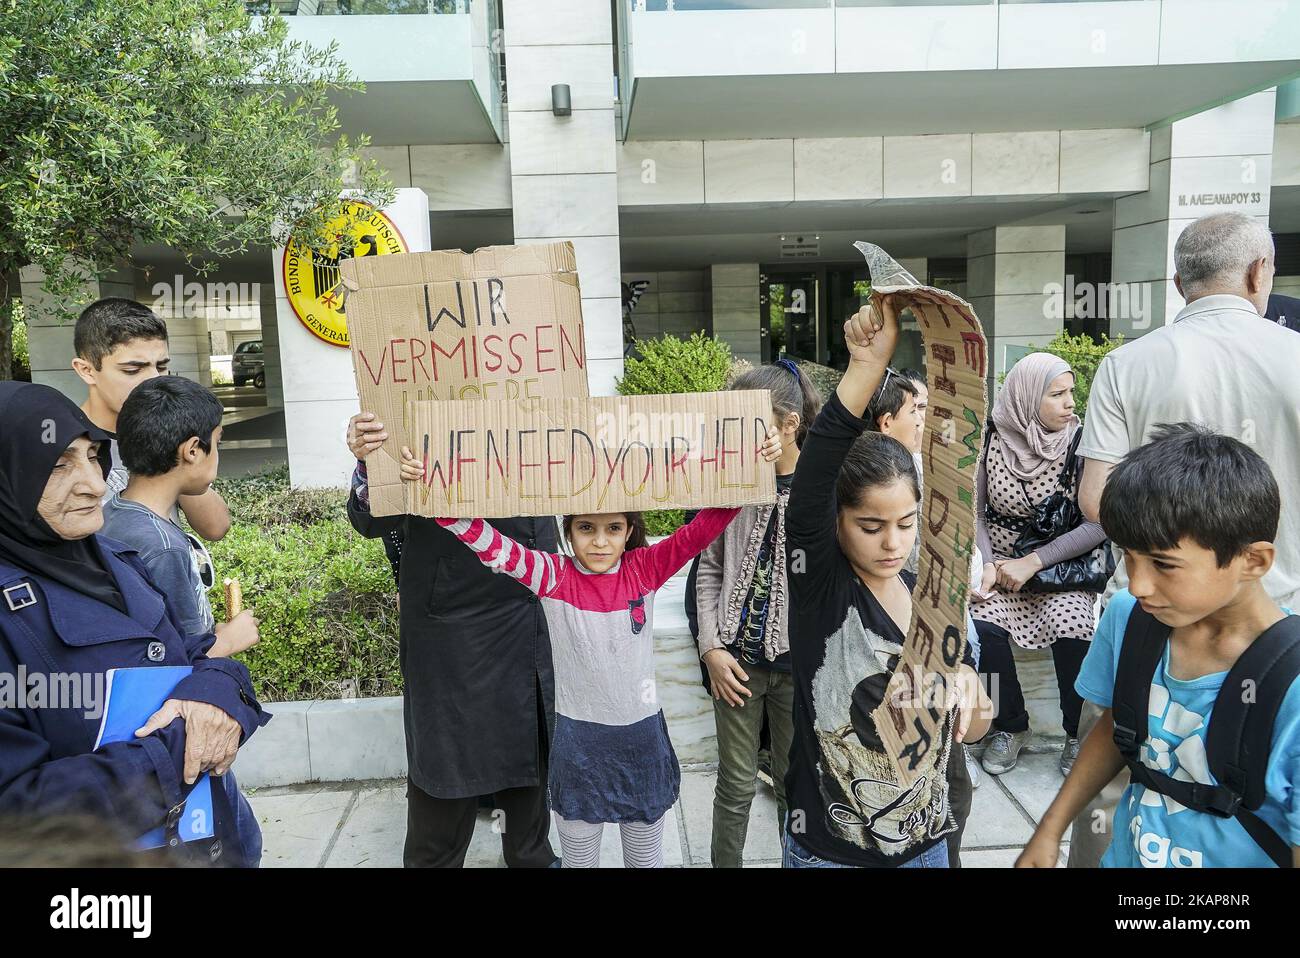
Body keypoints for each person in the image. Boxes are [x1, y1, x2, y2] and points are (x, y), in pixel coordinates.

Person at [402, 430, 783, 867]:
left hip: (642, 745)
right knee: (581, 861)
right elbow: (490, 544)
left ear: (629, 532)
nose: (600, 542)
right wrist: (431, 493)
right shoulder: (550, 576)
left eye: (613, 529)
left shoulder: (646, 569)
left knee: (645, 861)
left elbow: (701, 531)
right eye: (586, 528)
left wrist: (752, 465)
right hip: (578, 752)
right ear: (568, 531)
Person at [1071, 210, 1300, 866]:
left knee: (1118, 797)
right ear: (1260, 272)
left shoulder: (1128, 364)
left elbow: (1095, 502)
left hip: (1152, 636)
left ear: (1178, 284)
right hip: (1280, 642)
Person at [0, 382, 269, 866]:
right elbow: (18, 815)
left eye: (93, 457)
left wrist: (221, 699)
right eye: (59, 464)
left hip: (205, 843)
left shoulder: (113, 559)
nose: (96, 485)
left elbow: (191, 657)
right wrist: (177, 749)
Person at [1017, 424, 1300, 868]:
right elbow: (1118, 725)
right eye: (1128, 555)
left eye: (1165, 564)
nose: (1138, 583)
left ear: (1253, 561)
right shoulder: (1131, 619)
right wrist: (1050, 829)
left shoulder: (1292, 690)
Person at [782, 296, 991, 868]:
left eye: (905, 524)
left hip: (927, 843)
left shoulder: (935, 587)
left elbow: (970, 730)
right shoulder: (822, 590)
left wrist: (972, 693)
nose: (892, 543)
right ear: (837, 523)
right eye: (870, 526)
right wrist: (866, 369)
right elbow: (814, 475)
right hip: (830, 849)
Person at [345, 413, 560, 868]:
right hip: (450, 621)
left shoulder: (538, 391)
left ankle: (532, 857)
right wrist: (371, 462)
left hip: (527, 606)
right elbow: (371, 518)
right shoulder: (410, 395)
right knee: (446, 769)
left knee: (527, 763)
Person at [695, 358, 820, 867]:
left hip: (798, 669)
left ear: (789, 424)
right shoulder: (732, 483)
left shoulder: (820, 487)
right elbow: (707, 571)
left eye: (753, 422)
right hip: (736, 666)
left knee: (797, 785)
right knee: (735, 786)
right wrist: (711, 648)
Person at [972, 353, 1105, 779]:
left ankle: (1076, 732)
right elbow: (974, 511)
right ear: (1027, 397)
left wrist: (1033, 561)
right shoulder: (990, 439)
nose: (1070, 402)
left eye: (1070, 392)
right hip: (1001, 572)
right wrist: (990, 565)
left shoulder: (1082, 443)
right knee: (980, 627)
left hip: (1058, 573)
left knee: (1073, 626)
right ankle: (1010, 727)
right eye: (1057, 394)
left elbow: (1099, 523)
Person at [100, 377, 260, 659]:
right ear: (193, 451)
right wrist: (230, 641)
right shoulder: (162, 547)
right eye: (217, 442)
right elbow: (178, 658)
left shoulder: (113, 514)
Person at [72, 298, 230, 542]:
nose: (153, 380)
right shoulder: (65, 441)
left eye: (162, 366)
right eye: (133, 370)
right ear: (86, 370)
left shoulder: (173, 426)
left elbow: (215, 527)